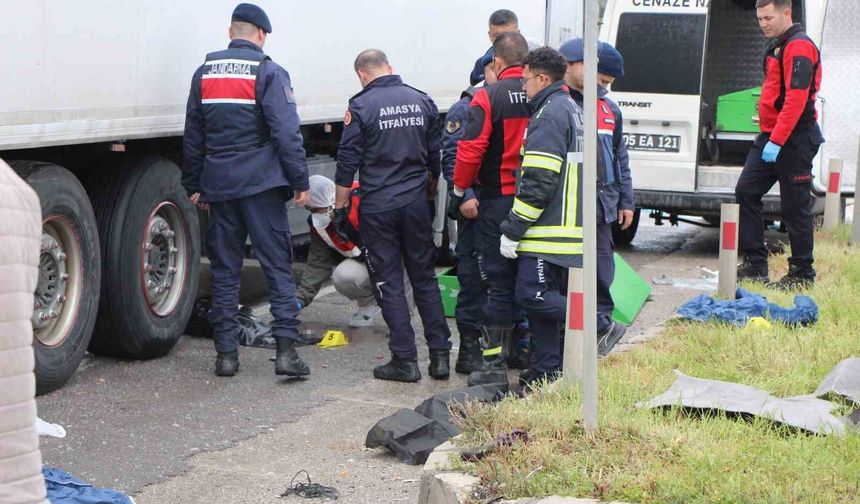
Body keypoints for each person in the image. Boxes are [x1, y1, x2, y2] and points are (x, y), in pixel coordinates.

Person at [182, 3, 310, 378]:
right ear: (260, 34)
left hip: (220, 186)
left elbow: (194, 134)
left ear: (230, 32)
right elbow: (286, 132)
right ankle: (286, 354)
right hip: (261, 185)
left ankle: (225, 356)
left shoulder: (203, 74)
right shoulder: (268, 71)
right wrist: (300, 180)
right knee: (277, 268)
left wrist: (194, 183)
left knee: (224, 271)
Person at [335, 49, 451, 382]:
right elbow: (435, 156)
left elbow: (347, 163)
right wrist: (427, 194)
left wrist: (342, 207)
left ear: (361, 74)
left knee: (389, 283)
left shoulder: (360, 106)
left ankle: (405, 360)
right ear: (389, 67)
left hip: (379, 207)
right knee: (424, 278)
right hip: (415, 204)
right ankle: (440, 358)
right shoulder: (421, 100)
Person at [499, 47, 584, 387]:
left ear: (543, 78)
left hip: (548, 229)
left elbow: (537, 181)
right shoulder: (571, 108)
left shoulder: (549, 115)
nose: (523, 87)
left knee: (531, 296)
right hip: (565, 225)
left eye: (526, 80)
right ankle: (547, 369)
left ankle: (592, 322)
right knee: (540, 309)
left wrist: (513, 229)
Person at [452, 32, 531, 387]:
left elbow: (469, 150)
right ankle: (533, 354)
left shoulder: (487, 96)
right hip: (538, 202)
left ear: (497, 63)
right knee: (534, 278)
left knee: (496, 281)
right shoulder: (548, 96)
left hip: (497, 201)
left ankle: (494, 364)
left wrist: (459, 188)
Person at [735, 0, 824, 290]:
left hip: (794, 139)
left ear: (787, 13)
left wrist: (776, 140)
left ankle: (801, 274)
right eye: (760, 18)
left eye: (768, 17)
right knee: (746, 191)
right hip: (771, 137)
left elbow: (796, 101)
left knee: (794, 207)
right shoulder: (778, 45)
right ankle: (755, 264)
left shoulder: (798, 46)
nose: (763, 23)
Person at [559, 38, 631, 355]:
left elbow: (619, 157)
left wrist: (626, 200)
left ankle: (602, 327)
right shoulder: (560, 104)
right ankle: (570, 336)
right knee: (565, 273)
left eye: (608, 84)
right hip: (566, 207)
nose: (604, 89)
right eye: (602, 81)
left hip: (603, 206)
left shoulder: (608, 109)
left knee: (601, 269)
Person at [295, 175, 383, 327]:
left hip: (396, 255)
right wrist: (300, 299)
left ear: (329, 200)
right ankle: (370, 303)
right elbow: (317, 264)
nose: (313, 214)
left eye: (315, 209)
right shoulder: (321, 224)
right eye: (309, 209)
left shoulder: (363, 198)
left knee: (401, 314)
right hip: (369, 260)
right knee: (343, 276)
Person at [469, 9, 520, 85]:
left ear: (518, 34)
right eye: (497, 36)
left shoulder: (532, 61)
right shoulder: (481, 65)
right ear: (489, 35)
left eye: (509, 35)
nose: (503, 41)